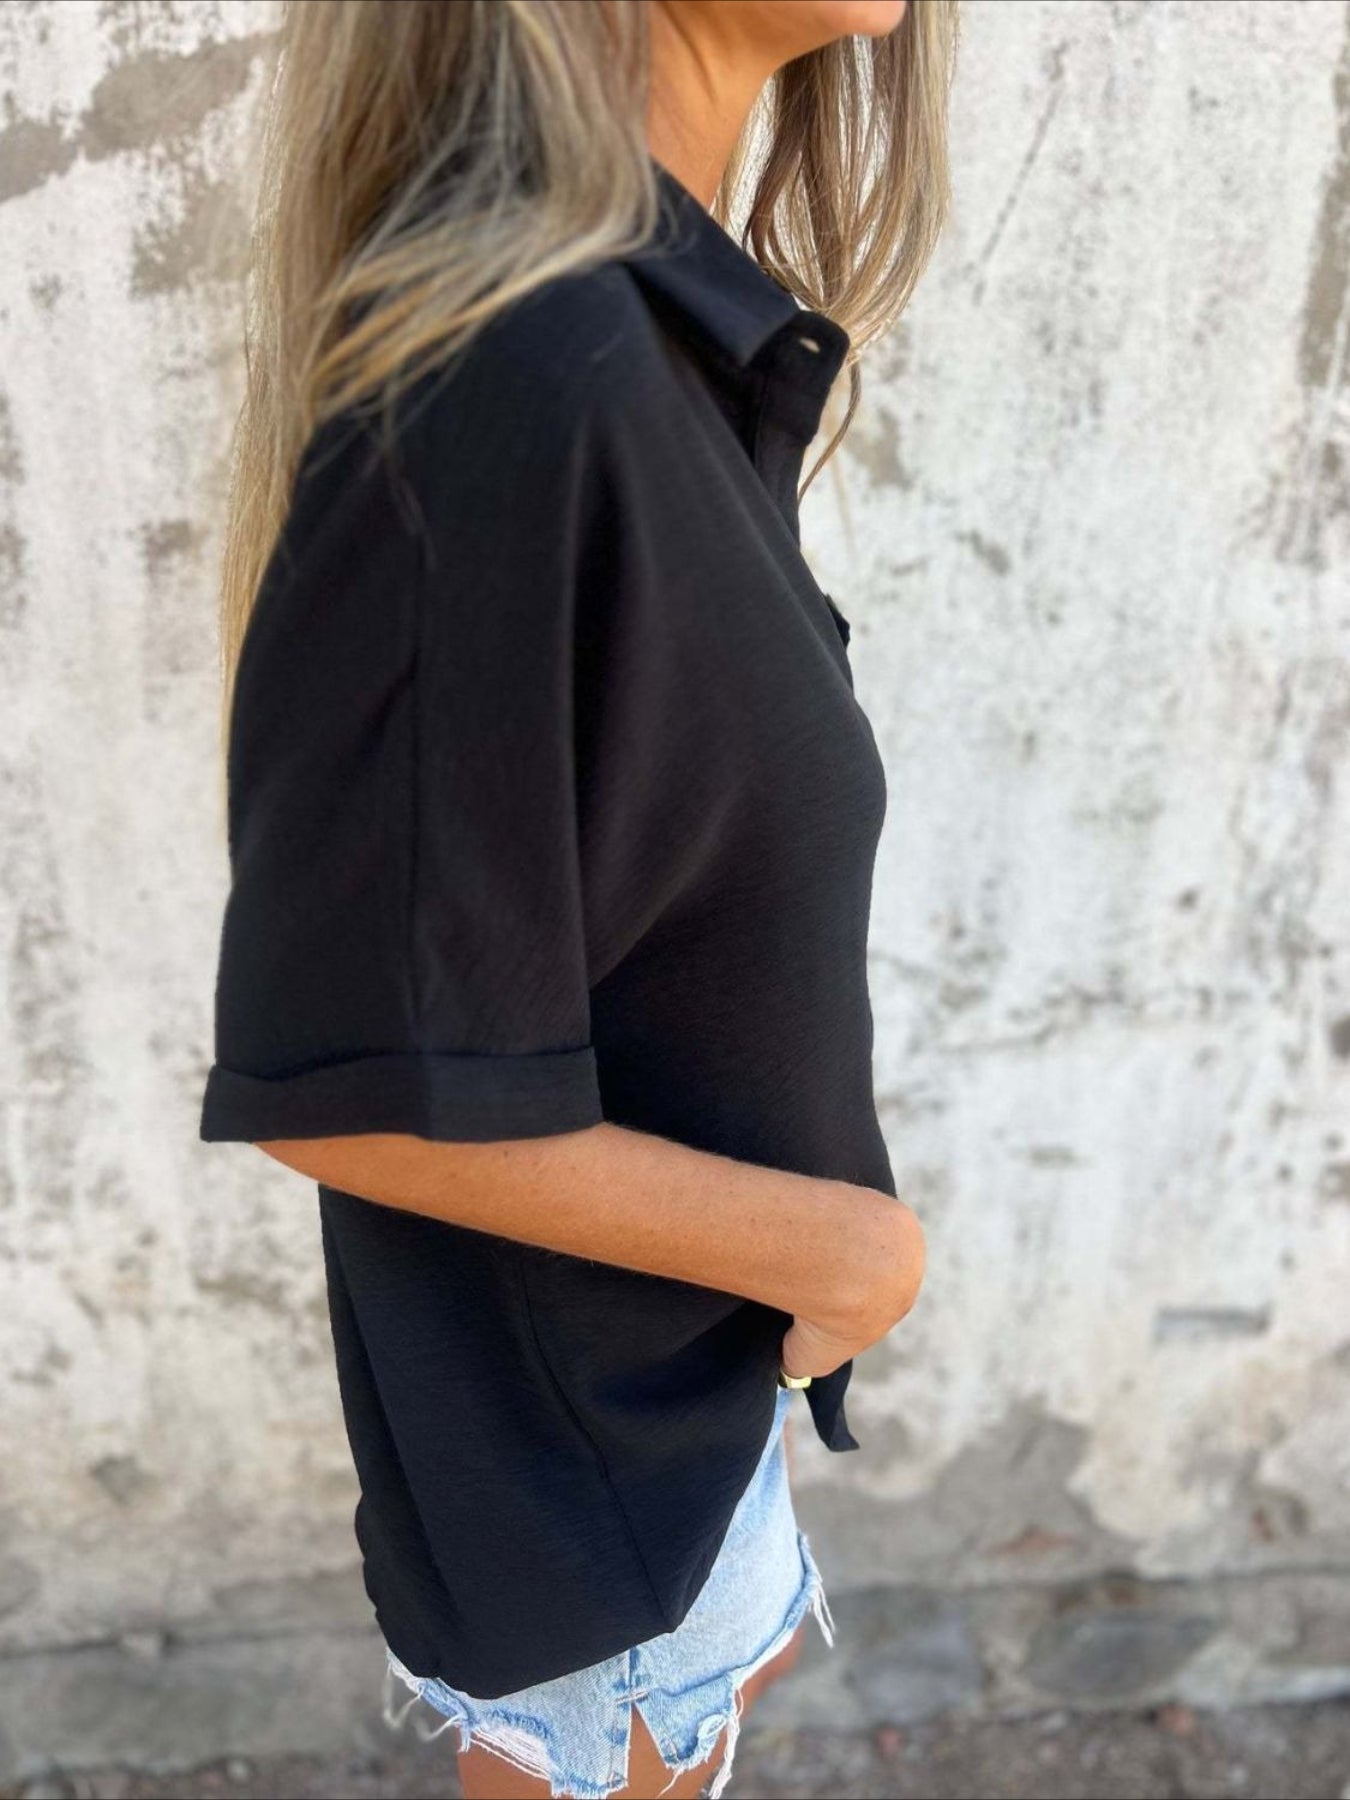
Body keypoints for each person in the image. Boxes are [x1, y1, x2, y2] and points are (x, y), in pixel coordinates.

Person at [199, 1, 958, 1794]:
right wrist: (843, 1253)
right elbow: (348, 1083)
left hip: (674, 1401)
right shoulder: (517, 363)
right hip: (587, 1462)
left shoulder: (647, 329)